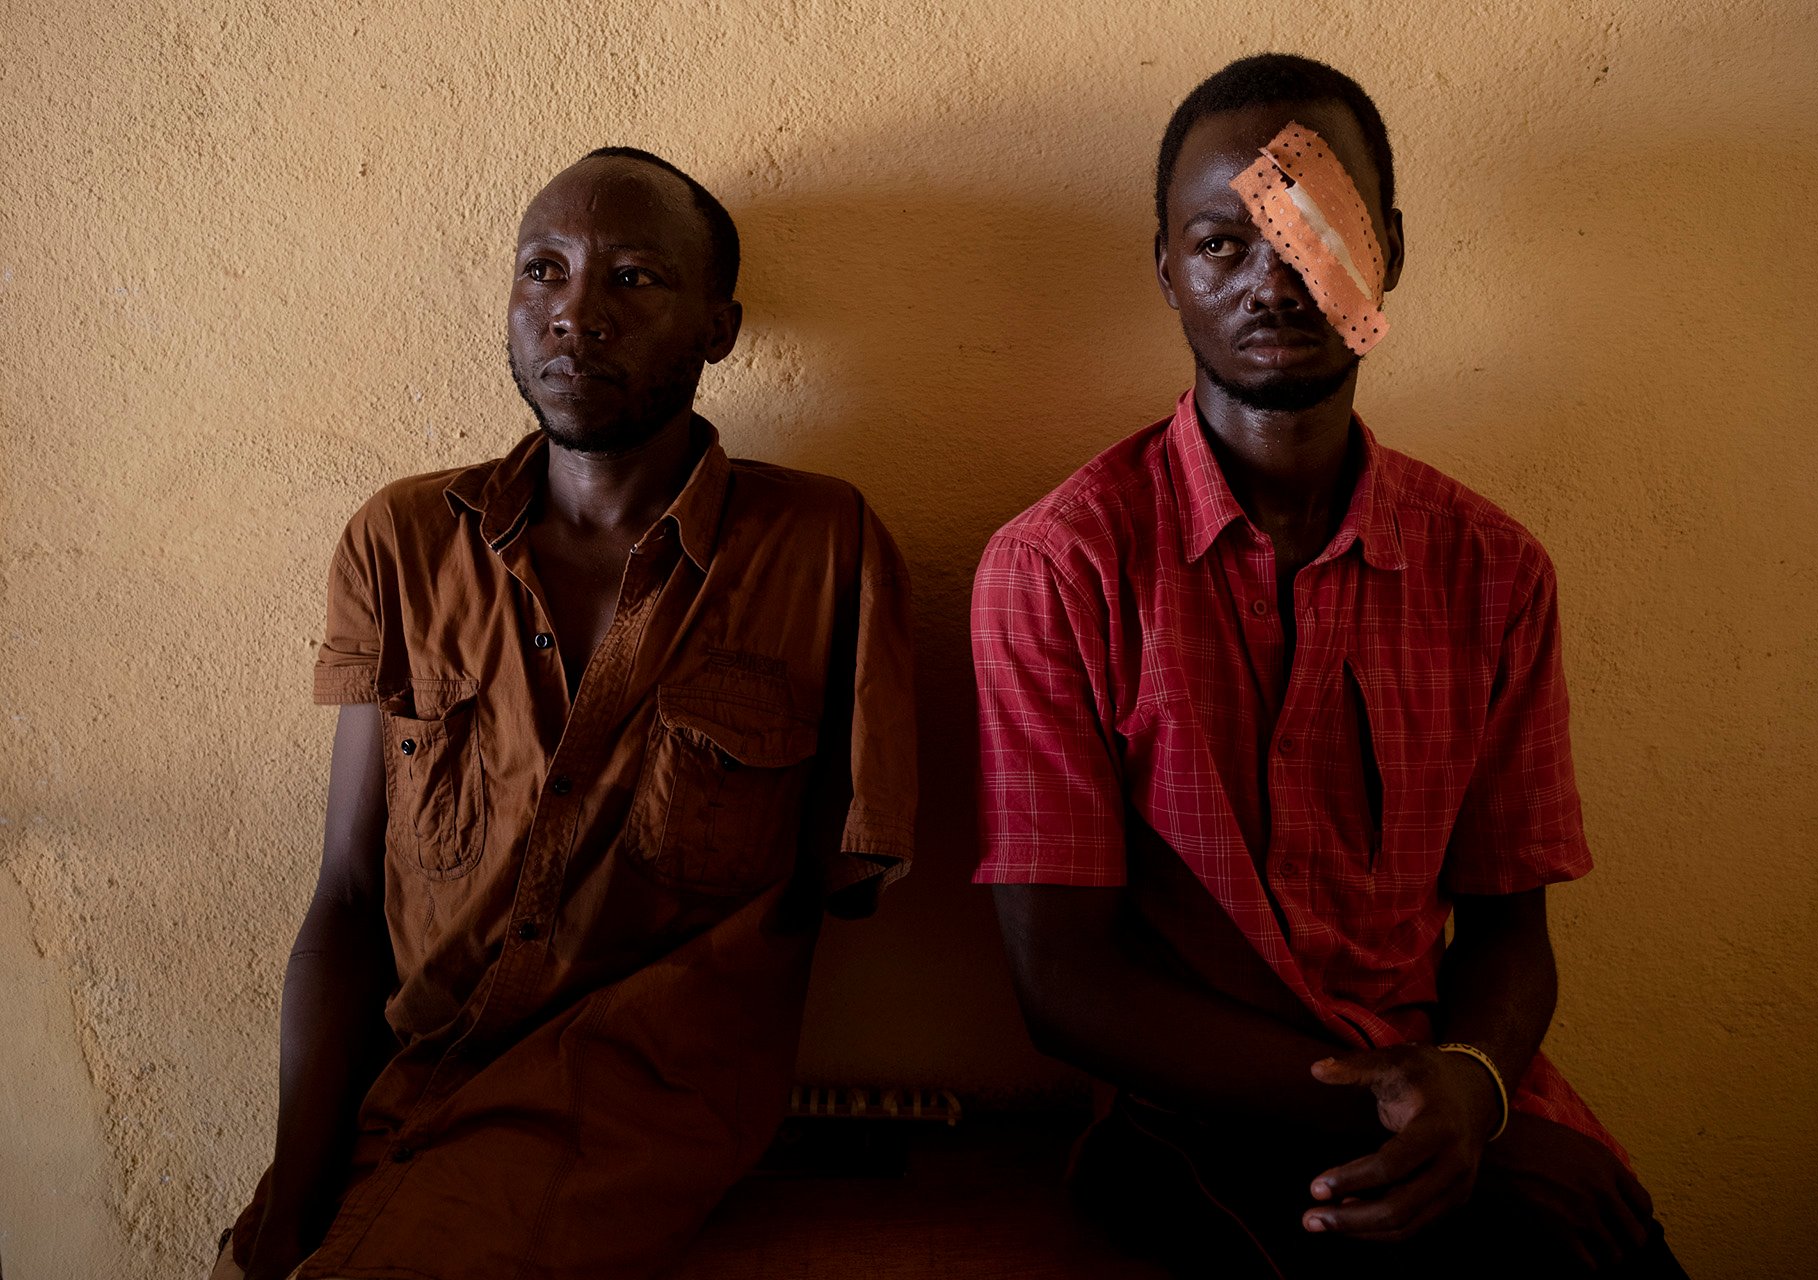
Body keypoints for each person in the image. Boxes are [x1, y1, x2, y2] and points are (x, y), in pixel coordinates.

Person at [972, 55, 1687, 1278]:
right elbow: (1065, 982)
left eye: (1315, 233)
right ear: (1165, 271)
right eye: (1219, 244)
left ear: (1388, 250)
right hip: (1191, 1114)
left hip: (1451, 1097)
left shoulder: (1493, 569)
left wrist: (1473, 1093)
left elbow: (1512, 930)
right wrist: (1418, 1117)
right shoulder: (1060, 568)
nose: (1272, 281)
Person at [214, 147, 916, 1280]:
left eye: (633, 279)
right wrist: (294, 1182)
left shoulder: (826, 553)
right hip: (412, 1093)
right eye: (544, 270)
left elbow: (831, 906)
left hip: (635, 1106)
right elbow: (346, 895)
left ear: (719, 328)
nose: (575, 313)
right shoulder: (401, 541)